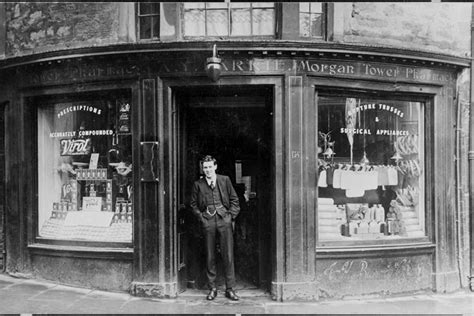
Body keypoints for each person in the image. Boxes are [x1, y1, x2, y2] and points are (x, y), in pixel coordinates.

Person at [190, 155, 240, 301]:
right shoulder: (198, 184)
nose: (208, 170)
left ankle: (230, 289)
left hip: (224, 220)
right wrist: (202, 218)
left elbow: (235, 200)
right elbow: (193, 205)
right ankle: (212, 288)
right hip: (208, 221)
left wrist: (230, 217)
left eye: (210, 167)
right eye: (205, 167)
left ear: (215, 167)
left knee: (228, 254)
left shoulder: (225, 180)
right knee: (210, 255)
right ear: (202, 169)